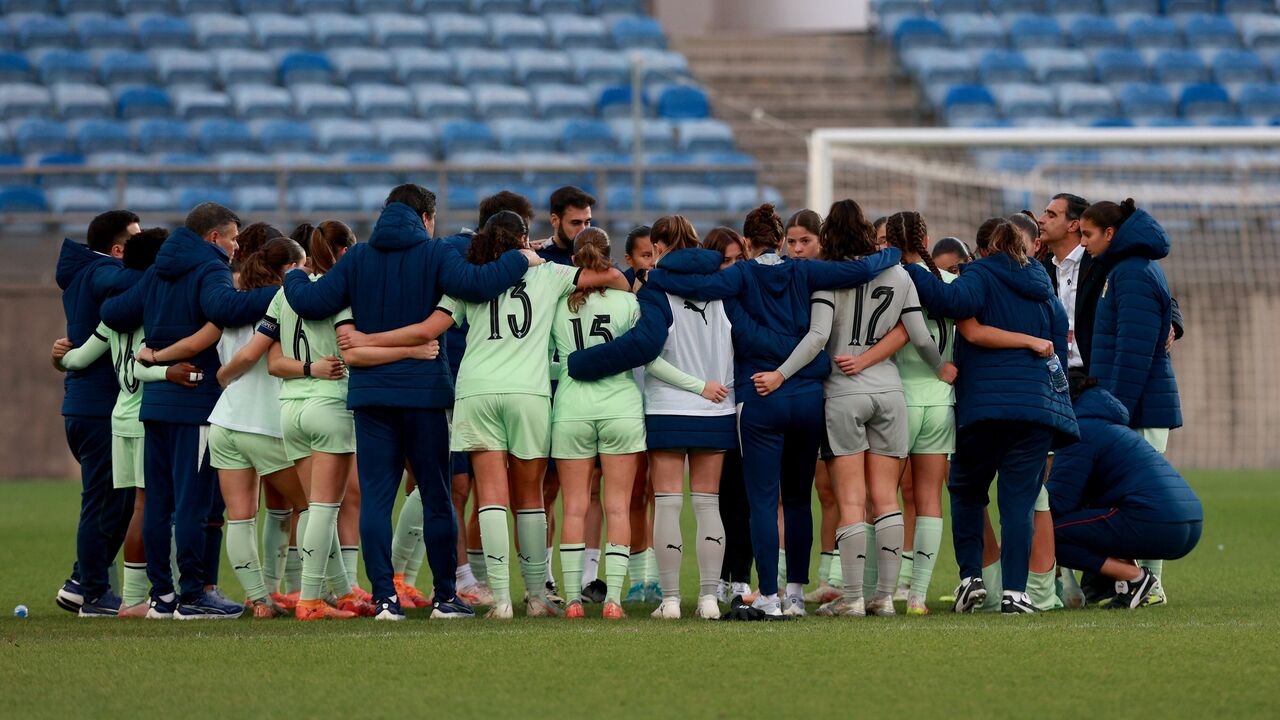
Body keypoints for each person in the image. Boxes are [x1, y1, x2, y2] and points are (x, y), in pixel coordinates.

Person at [584, 203, 902, 618]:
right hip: (808, 395)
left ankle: (763, 594)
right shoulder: (804, 271)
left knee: (762, 501)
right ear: (782, 242)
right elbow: (858, 272)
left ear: (748, 244)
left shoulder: (738, 276)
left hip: (759, 396)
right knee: (800, 500)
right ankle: (793, 595)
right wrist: (893, 253)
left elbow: (704, 295)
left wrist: (653, 276)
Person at [337, 210, 627, 619]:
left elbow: (425, 330)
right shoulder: (550, 275)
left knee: (489, 496)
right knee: (528, 498)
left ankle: (501, 600)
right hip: (528, 393)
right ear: (526, 239)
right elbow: (615, 279)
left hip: (477, 392)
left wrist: (368, 338)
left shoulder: (470, 281)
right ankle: (537, 596)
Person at [280, 184, 539, 621]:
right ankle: (444, 598)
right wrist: (520, 258)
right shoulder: (436, 254)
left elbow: (310, 301)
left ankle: (384, 599)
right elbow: (477, 285)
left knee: (378, 500)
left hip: (371, 395)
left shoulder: (359, 257)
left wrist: (292, 271)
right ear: (426, 217)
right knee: (436, 496)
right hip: (422, 394)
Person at [756, 203, 949, 618]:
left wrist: (781, 374)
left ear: (828, 237)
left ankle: (854, 598)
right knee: (886, 498)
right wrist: (941, 368)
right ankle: (885, 597)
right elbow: (918, 333)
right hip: (889, 390)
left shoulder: (829, 278)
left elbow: (817, 337)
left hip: (843, 392)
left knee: (850, 501)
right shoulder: (898, 274)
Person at [102, 203, 278, 620]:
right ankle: (194, 594)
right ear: (214, 238)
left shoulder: (159, 269)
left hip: (157, 405)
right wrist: (289, 290)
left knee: (159, 504)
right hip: (194, 403)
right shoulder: (210, 268)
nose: (237, 246)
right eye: (234, 238)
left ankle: (162, 597)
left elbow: (114, 312)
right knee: (195, 505)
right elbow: (225, 309)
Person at [905, 218, 1079, 614]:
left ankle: (971, 578)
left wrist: (913, 264)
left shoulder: (978, 275)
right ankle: (1017, 593)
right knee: (1019, 503)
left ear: (981, 250)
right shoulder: (1042, 284)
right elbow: (1059, 340)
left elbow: (951, 303)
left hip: (984, 408)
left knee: (967, 490)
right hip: (1036, 410)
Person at [552, 227, 714, 619]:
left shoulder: (557, 305)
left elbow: (553, 363)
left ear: (574, 262)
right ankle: (613, 602)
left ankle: (573, 600)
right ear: (610, 260)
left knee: (573, 507)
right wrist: (698, 386)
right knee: (619, 507)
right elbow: (651, 359)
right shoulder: (629, 303)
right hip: (621, 410)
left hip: (572, 410)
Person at [51, 227, 204, 617]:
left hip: (120, 415)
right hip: (142, 413)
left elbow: (79, 359)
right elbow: (142, 361)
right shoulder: (147, 310)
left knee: (130, 507)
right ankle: (134, 597)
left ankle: (105, 591)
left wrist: (58, 358)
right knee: (145, 508)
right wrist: (166, 373)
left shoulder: (113, 314)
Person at [201, 231, 311, 619]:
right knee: (312, 505)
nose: (307, 273)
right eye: (301, 266)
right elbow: (261, 357)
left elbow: (198, 340)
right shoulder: (283, 305)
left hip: (225, 419)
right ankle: (305, 593)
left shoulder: (230, 305)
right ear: (286, 270)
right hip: (262, 421)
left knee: (241, 516)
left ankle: (260, 601)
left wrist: (157, 356)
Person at [1079, 199, 1183, 603]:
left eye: (1088, 234)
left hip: (1138, 407)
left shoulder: (1134, 273)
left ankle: (1151, 586)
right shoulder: (1122, 269)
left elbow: (1134, 352)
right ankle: (1139, 583)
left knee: (1147, 498)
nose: (1083, 242)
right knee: (1130, 495)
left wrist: (1115, 413)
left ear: (1110, 234)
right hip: (1131, 405)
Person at [53, 209, 141, 615]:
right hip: (97, 409)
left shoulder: (88, 273)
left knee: (116, 500)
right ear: (118, 249)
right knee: (105, 502)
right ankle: (92, 592)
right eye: (137, 243)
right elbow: (127, 280)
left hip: (87, 405)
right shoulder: (102, 272)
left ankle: (80, 582)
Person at [1048, 378, 1201, 609]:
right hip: (1191, 522)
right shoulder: (1111, 426)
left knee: (1048, 536)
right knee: (1098, 519)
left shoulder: (1080, 430)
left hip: (1157, 521)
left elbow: (1058, 502)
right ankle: (1139, 587)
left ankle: (1136, 579)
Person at [782, 209, 842, 604]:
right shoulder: (783, 277)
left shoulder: (832, 277)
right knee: (793, 492)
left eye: (806, 241)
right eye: (792, 241)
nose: (798, 249)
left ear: (821, 241)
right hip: (797, 392)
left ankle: (835, 578)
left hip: (833, 389)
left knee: (832, 490)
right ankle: (787, 580)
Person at [703, 226, 755, 602]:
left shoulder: (751, 297)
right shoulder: (704, 300)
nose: (734, 268)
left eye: (739, 260)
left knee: (744, 495)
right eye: (726, 261)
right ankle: (717, 578)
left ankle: (740, 577)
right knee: (714, 498)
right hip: (710, 404)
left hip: (744, 401)